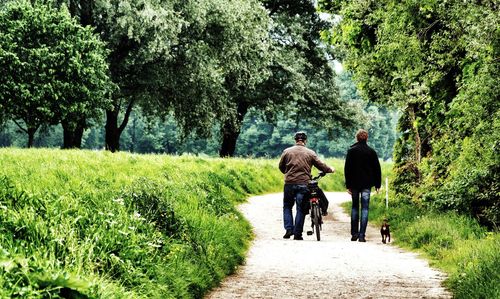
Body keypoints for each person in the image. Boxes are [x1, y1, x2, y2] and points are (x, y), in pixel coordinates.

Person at [279, 132, 334, 240]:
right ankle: (297, 234)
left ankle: (289, 229)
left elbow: (281, 166)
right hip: (304, 184)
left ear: (295, 140)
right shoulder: (310, 153)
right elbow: (321, 165)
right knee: (301, 208)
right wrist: (330, 169)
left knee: (287, 206)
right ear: (305, 140)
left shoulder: (287, 151)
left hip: (289, 183)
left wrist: (288, 174)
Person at [344, 129, 382, 242]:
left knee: (355, 207)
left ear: (357, 138)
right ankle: (362, 236)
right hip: (367, 184)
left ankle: (354, 234)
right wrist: (377, 184)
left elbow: (347, 169)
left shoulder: (351, 151)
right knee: (365, 208)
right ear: (367, 138)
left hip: (354, 184)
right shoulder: (371, 151)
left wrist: (348, 184)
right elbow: (377, 169)